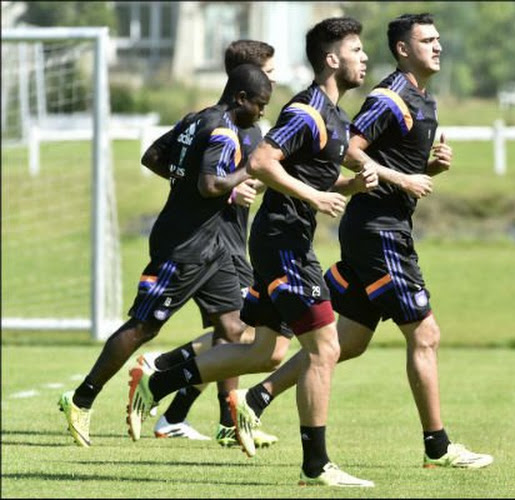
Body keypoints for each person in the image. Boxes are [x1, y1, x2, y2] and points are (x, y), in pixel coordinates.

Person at [226, 13, 493, 470]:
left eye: (438, 37)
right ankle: (438, 446)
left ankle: (257, 396)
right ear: (404, 49)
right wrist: (402, 178)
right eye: (427, 39)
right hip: (379, 232)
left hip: (384, 227)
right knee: (425, 334)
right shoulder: (390, 97)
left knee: (345, 341)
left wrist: (426, 170)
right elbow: (352, 148)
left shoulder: (422, 100)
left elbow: (377, 163)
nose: (438, 45)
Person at [126, 17, 377, 487]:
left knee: (265, 351)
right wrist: (315, 198)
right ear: (331, 59)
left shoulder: (339, 119)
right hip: (282, 241)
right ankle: (315, 466)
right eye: (356, 50)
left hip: (286, 240)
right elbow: (262, 163)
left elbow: (316, 179)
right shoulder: (307, 111)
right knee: (326, 348)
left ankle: (158, 380)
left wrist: (349, 184)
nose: (364, 59)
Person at [57, 63, 273, 448]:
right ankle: (80, 399)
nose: (261, 112)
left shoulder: (197, 120)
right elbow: (210, 184)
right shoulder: (223, 131)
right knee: (144, 327)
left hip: (217, 249)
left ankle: (225, 419)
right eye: (259, 104)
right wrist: (245, 173)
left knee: (233, 327)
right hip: (184, 247)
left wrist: (191, 185)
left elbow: (153, 156)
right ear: (241, 98)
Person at [141, 39, 289, 449]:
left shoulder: (249, 124)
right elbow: (202, 176)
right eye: (269, 72)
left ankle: (176, 408)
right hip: (214, 243)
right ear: (247, 80)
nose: (274, 80)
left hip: (231, 241)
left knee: (238, 333)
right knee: (245, 334)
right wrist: (228, 190)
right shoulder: (223, 125)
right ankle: (175, 380)